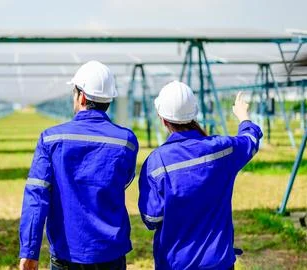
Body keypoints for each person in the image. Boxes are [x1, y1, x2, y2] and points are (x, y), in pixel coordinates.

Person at [19, 61, 139, 270]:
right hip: (110, 252)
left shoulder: (50, 139)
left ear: (81, 96)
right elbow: (124, 180)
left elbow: (36, 197)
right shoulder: (126, 141)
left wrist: (29, 251)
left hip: (67, 252)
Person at [138, 81, 262, 270]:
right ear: (194, 113)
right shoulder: (222, 150)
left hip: (175, 264)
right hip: (219, 263)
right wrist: (243, 117)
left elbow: (151, 219)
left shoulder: (157, 162)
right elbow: (251, 141)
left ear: (162, 119)